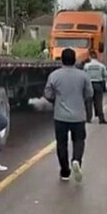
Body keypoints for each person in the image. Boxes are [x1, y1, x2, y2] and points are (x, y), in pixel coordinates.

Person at [44, 48, 93, 182]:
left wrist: (56, 100)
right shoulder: (83, 75)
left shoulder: (54, 75)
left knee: (61, 143)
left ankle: (65, 171)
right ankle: (76, 160)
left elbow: (48, 94)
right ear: (75, 59)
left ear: (62, 59)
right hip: (78, 116)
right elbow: (89, 94)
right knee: (79, 140)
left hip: (60, 116)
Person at [82, 50, 107, 124]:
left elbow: (84, 75)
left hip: (89, 85)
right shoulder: (101, 65)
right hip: (98, 84)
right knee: (98, 102)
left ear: (90, 57)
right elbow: (105, 75)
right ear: (96, 57)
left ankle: (88, 118)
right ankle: (101, 119)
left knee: (88, 102)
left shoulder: (86, 66)